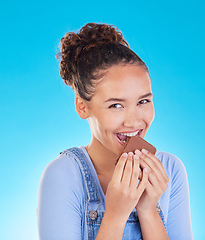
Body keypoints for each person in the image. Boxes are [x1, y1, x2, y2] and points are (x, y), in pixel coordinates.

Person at [37, 23, 193, 240]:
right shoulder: (63, 175)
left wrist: (148, 210)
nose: (134, 120)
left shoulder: (171, 170)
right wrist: (116, 215)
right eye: (116, 105)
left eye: (143, 101)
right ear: (83, 106)